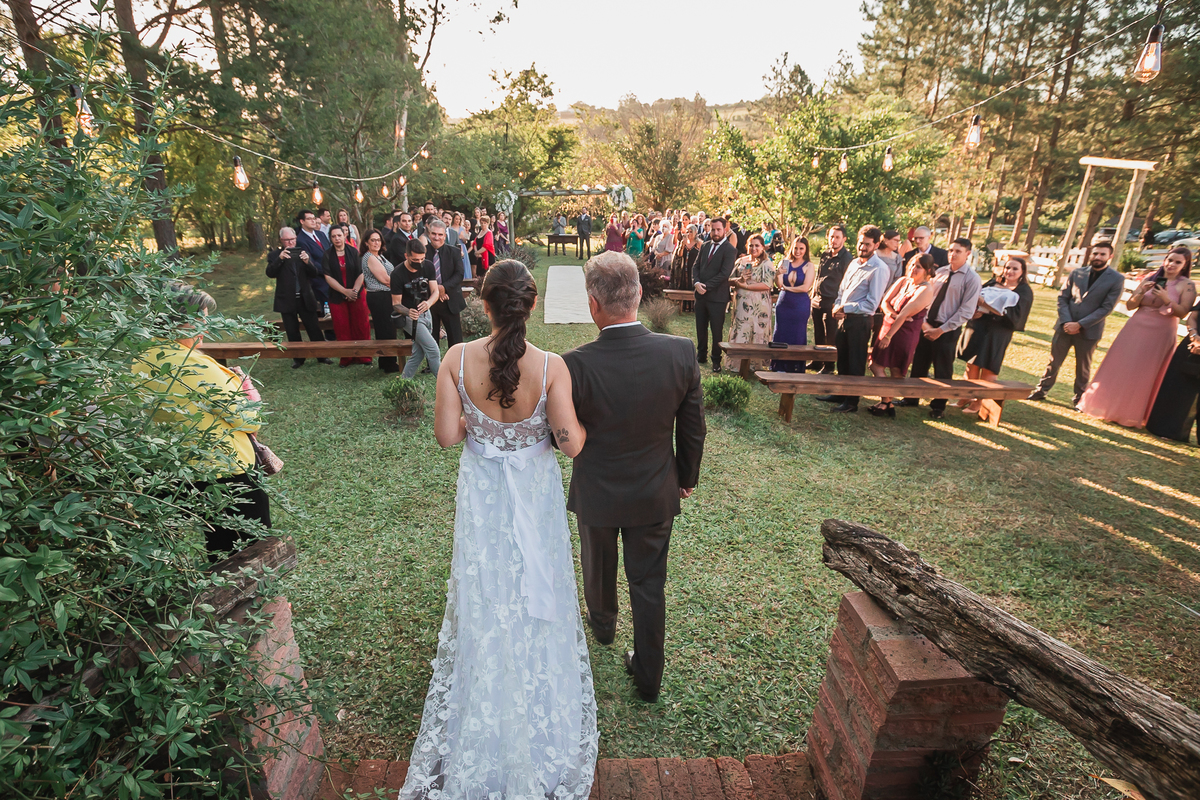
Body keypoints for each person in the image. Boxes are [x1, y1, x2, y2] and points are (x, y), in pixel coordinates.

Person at [407, 260, 596, 800]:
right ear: (531, 306)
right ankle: (539, 699)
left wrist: (475, 423)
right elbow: (570, 444)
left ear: (482, 305)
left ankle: (488, 688)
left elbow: (446, 437)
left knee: (489, 589)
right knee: (538, 588)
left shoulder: (456, 359)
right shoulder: (552, 365)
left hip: (484, 498)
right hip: (533, 500)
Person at [563, 251, 705, 704]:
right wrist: (685, 477)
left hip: (597, 494)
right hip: (654, 491)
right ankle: (648, 677)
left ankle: (603, 626)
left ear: (592, 304)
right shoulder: (679, 352)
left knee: (598, 565)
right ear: (640, 295)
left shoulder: (573, 363)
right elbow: (693, 426)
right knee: (649, 584)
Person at [133, 285, 270, 561]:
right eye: (203, 318)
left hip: (186, 468)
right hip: (229, 471)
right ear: (184, 321)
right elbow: (248, 417)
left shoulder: (141, 361)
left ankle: (228, 601)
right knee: (251, 549)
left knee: (220, 546)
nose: (206, 326)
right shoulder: (195, 364)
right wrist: (246, 388)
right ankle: (259, 603)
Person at [1077, 247, 1197, 426]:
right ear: (1164, 260)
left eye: (1177, 262)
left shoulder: (1187, 285)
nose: (1171, 264)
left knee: (1145, 372)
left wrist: (1166, 299)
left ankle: (1130, 413)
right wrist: (1142, 291)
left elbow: (1183, 313)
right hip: (1136, 326)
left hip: (1162, 331)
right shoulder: (1151, 278)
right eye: (1169, 260)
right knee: (1121, 365)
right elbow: (1130, 305)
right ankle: (1106, 406)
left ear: (1185, 265)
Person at [1027, 242, 1125, 405]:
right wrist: (1067, 321)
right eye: (1095, 253)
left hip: (1089, 330)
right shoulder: (1077, 273)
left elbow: (1107, 308)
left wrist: (1080, 324)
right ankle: (1041, 390)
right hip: (1064, 326)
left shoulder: (1116, 279)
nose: (1097, 257)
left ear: (1110, 256)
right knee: (1054, 361)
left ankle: (1080, 397)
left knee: (1083, 366)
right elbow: (1063, 298)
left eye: (1102, 254)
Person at [900, 238, 982, 419]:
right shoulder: (941, 272)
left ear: (968, 254)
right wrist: (925, 324)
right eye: (951, 250)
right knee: (919, 363)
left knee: (942, 369)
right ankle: (911, 398)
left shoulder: (972, 278)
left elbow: (966, 311)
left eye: (958, 251)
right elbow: (926, 297)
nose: (952, 254)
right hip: (927, 324)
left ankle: (938, 406)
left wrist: (941, 330)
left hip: (947, 330)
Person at [955, 257, 1035, 413]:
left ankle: (979, 403)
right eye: (1007, 267)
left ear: (1022, 272)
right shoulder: (993, 282)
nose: (1009, 271)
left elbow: (1015, 315)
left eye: (1014, 269)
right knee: (971, 363)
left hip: (998, 331)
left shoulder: (1023, 291)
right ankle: (965, 396)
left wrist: (986, 306)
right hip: (978, 326)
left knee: (988, 366)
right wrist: (974, 312)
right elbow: (975, 298)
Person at [827, 226, 891, 413]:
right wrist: (837, 306)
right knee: (843, 359)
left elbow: (872, 304)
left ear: (876, 244)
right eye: (860, 242)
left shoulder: (879, 268)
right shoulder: (854, 263)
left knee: (855, 361)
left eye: (867, 244)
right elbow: (842, 290)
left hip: (860, 321)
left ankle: (852, 401)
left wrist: (845, 308)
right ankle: (840, 393)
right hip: (843, 318)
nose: (862, 247)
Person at [868, 255, 937, 416]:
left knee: (895, 370)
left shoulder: (925, 289)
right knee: (875, 364)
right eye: (912, 264)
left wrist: (889, 336)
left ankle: (886, 403)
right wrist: (892, 315)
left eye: (918, 266)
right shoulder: (902, 281)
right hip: (888, 327)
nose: (913, 268)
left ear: (927, 270)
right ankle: (887, 402)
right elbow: (884, 301)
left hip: (903, 334)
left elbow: (906, 313)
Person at [265, 227, 330, 369]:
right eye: (287, 240)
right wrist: (280, 259)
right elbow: (270, 273)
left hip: (305, 296)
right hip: (287, 298)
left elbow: (314, 273)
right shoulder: (275, 255)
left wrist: (308, 262)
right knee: (292, 330)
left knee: (313, 328)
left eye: (293, 239)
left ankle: (322, 355)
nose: (290, 242)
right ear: (281, 240)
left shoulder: (303, 252)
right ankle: (298, 358)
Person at [1147, 300, 1200, 443]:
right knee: (1178, 387)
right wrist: (1195, 338)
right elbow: (1192, 318)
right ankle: (1167, 429)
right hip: (1191, 345)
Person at [391, 239, 442, 378]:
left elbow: (435, 292)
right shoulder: (397, 274)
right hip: (410, 317)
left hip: (426, 313)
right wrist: (408, 312)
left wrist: (429, 303)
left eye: (422, 259)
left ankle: (403, 383)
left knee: (418, 353)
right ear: (406, 256)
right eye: (415, 259)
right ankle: (447, 384)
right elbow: (395, 303)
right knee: (433, 350)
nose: (419, 263)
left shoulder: (428, 266)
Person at [692, 217, 737, 372]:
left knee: (716, 330)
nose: (715, 232)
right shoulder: (704, 246)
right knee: (700, 327)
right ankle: (701, 355)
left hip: (717, 297)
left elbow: (724, 274)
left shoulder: (730, 250)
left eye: (718, 229)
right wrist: (696, 283)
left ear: (725, 229)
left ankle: (716, 360)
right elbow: (695, 267)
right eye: (713, 229)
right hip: (701, 295)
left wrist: (706, 286)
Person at [726, 234, 776, 374]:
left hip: (760, 305)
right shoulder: (741, 261)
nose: (753, 248)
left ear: (762, 247)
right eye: (751, 245)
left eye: (757, 245)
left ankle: (756, 366)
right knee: (742, 329)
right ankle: (737, 364)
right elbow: (730, 279)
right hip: (742, 303)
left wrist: (746, 286)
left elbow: (767, 284)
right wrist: (740, 280)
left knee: (757, 331)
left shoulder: (767, 263)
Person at [322, 226, 372, 366]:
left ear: (345, 235)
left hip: (357, 294)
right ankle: (347, 357)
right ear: (330, 238)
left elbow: (361, 273)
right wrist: (345, 292)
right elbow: (328, 276)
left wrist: (354, 291)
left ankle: (364, 356)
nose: (337, 238)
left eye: (339, 235)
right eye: (334, 236)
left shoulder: (354, 252)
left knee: (361, 325)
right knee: (341, 326)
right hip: (337, 296)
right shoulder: (327, 255)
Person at [811, 225, 853, 373]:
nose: (833, 240)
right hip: (817, 299)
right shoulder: (825, 254)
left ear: (844, 239)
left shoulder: (847, 259)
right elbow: (819, 275)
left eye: (837, 237)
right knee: (818, 333)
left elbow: (847, 283)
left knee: (831, 335)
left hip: (833, 301)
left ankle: (828, 366)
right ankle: (817, 361)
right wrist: (813, 293)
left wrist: (840, 304)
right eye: (831, 237)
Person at [771, 236, 814, 373]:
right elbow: (778, 284)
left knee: (797, 334)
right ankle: (779, 366)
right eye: (795, 248)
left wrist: (787, 289)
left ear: (806, 250)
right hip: (784, 304)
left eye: (801, 248)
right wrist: (778, 273)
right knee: (781, 333)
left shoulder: (809, 266)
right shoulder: (785, 262)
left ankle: (795, 366)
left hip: (800, 305)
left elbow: (805, 288)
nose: (798, 251)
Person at [359, 229, 400, 373]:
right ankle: (389, 363)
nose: (376, 243)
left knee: (388, 329)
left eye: (378, 240)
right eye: (373, 240)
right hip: (379, 296)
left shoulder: (379, 256)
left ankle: (386, 360)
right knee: (385, 330)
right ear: (366, 243)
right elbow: (385, 280)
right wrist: (400, 285)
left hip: (385, 296)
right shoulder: (369, 257)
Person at [426, 218, 467, 347]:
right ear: (429, 234)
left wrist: (443, 287)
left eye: (440, 234)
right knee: (431, 340)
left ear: (445, 235)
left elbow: (459, 274)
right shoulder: (423, 253)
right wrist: (436, 290)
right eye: (434, 234)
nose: (436, 237)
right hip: (429, 301)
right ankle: (432, 367)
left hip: (450, 300)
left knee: (456, 340)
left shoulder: (454, 252)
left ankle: (456, 367)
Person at [295, 209, 332, 312]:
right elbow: (310, 262)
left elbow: (329, 252)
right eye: (309, 219)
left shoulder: (321, 234)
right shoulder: (300, 240)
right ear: (302, 221)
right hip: (318, 282)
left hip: (332, 279)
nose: (313, 221)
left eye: (314, 218)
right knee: (326, 313)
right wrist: (328, 270)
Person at [671, 223, 702, 291]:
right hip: (683, 269)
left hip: (694, 269)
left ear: (695, 232)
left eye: (691, 232)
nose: (689, 234)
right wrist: (682, 245)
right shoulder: (683, 242)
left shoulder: (699, 243)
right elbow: (679, 255)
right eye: (687, 232)